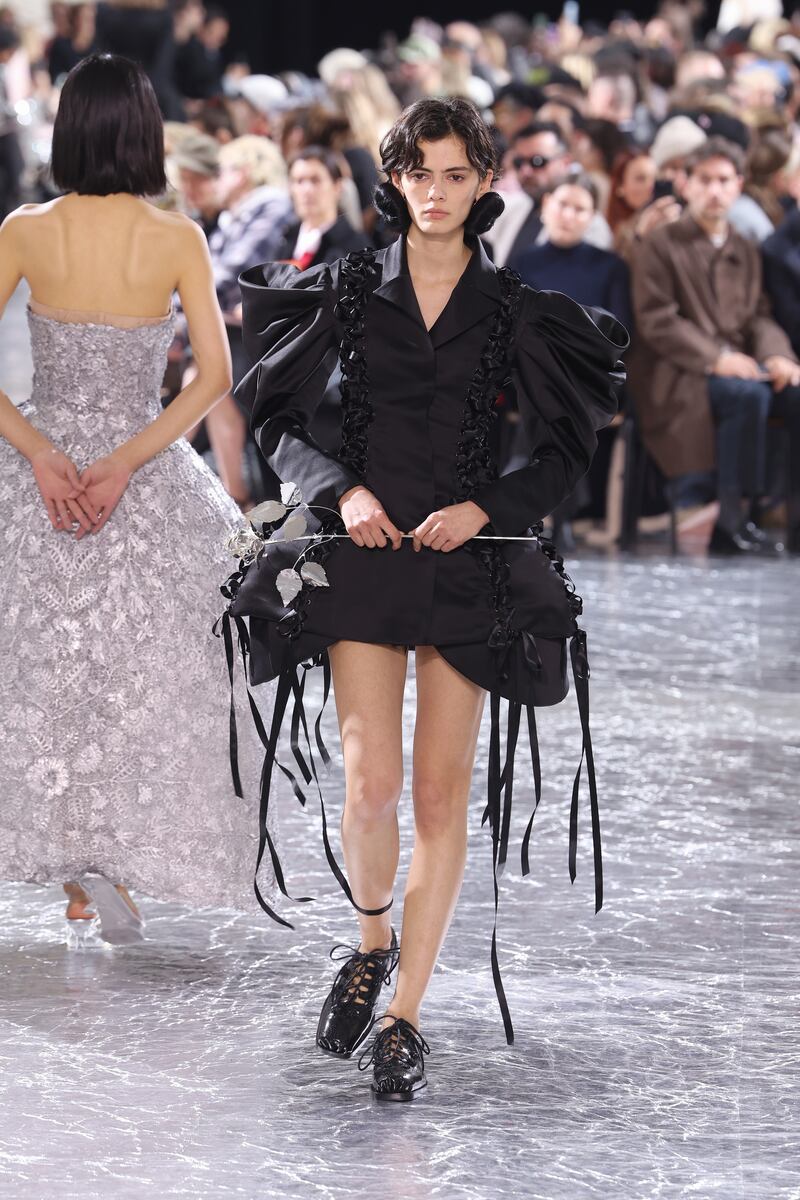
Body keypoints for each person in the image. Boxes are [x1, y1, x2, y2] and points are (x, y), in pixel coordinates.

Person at [223, 97, 627, 1100]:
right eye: (419, 173)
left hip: (466, 562)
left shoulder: (516, 309)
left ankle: (404, 1013)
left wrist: (488, 505)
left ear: (484, 182)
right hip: (364, 554)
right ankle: (371, 945)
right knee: (368, 788)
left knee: (441, 797)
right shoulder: (346, 292)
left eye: (455, 174)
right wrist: (340, 491)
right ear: (394, 179)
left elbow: (567, 448)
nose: (436, 192)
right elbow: (274, 420)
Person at [0, 55, 266, 945]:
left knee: (40, 669)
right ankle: (103, 864)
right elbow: (214, 377)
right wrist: (123, 462)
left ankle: (77, 871)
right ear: (147, 133)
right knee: (139, 675)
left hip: (40, 471)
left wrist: (43, 454)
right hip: (140, 471)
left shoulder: (26, 229)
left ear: (69, 129)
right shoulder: (176, 237)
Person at [629, 137, 800, 553]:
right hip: (678, 370)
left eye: (724, 180)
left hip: (739, 364)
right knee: (747, 394)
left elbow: (759, 316)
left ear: (739, 184)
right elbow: (657, 319)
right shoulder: (661, 243)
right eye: (704, 180)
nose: (714, 190)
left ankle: (787, 521)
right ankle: (731, 520)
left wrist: (778, 355)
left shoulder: (745, 247)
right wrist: (717, 358)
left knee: (792, 393)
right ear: (685, 184)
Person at [486, 121, 613, 266]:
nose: (526, 171)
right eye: (519, 162)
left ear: (565, 162)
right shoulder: (508, 208)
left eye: (537, 162)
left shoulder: (589, 223)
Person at [276, 147, 367, 269]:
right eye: (299, 181)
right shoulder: (285, 239)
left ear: (337, 187)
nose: (306, 190)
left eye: (315, 180)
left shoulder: (355, 248)